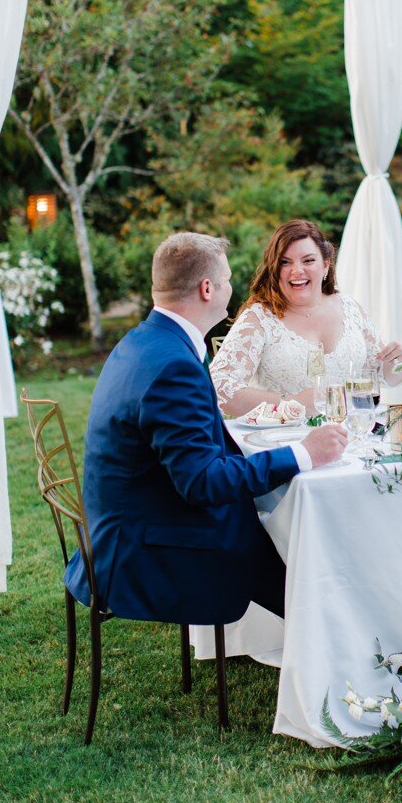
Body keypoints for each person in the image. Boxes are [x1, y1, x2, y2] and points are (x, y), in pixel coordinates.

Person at [66, 233, 348, 626]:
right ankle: (343, 657)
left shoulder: (143, 340)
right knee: (312, 568)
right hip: (146, 552)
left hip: (127, 526)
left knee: (289, 534)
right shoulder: (173, 366)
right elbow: (203, 483)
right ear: (206, 288)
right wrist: (305, 454)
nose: (231, 288)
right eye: (228, 279)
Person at [211, 220, 402, 417]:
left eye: (308, 260)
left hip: (352, 433)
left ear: (326, 265)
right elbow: (218, 387)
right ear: (275, 269)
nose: (297, 270)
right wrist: (290, 404)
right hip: (281, 442)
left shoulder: (349, 308)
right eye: (285, 262)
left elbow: (381, 376)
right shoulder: (258, 319)